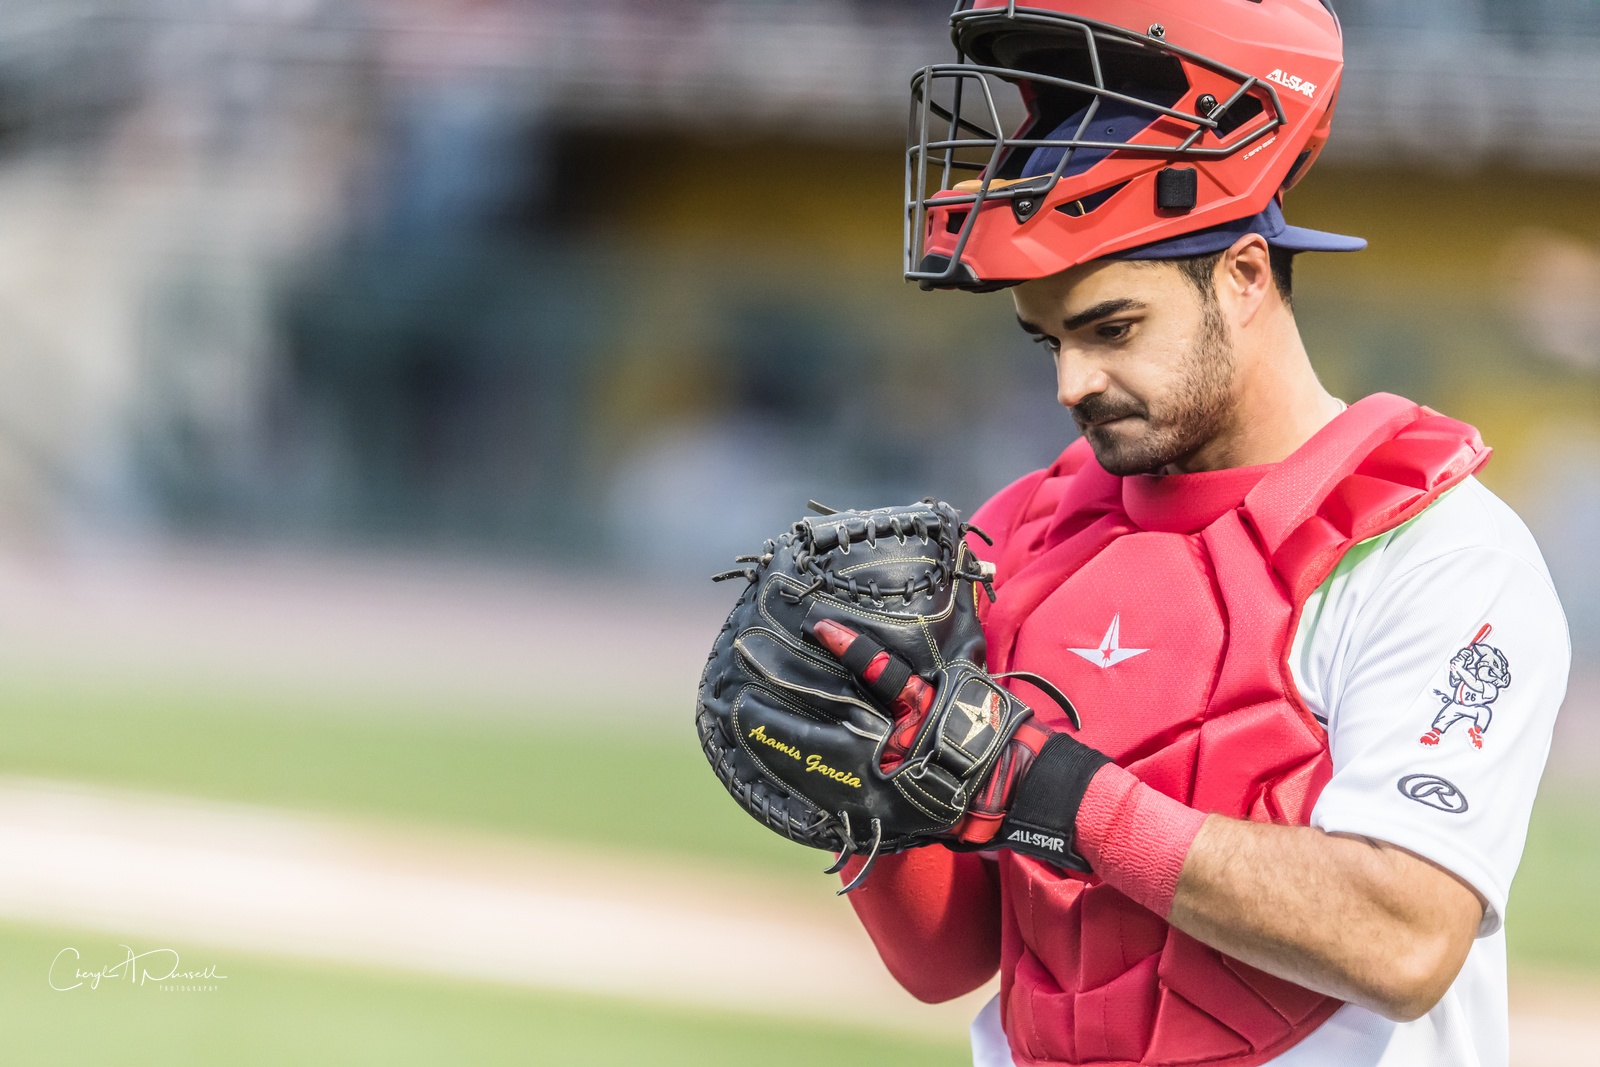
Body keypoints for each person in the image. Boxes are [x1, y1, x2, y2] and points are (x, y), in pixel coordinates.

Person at [842, 3, 1570, 1065]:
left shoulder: (1436, 553)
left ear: (1240, 275)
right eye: (1045, 338)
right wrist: (863, 797)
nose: (1069, 383)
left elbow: (1404, 935)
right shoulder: (1021, 534)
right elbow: (948, 956)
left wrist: (1068, 798)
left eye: (1111, 328)